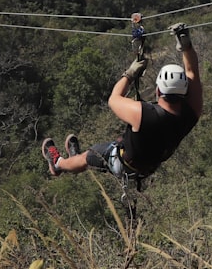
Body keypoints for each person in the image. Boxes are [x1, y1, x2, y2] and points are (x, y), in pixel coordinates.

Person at [41, 23, 202, 180]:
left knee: (89, 156)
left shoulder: (144, 114)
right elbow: (192, 72)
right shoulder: (192, 112)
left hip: (122, 164)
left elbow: (114, 99)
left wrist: (129, 74)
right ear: (184, 90)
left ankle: (58, 164)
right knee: (98, 152)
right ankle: (72, 160)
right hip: (146, 167)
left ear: (158, 90)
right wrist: (186, 47)